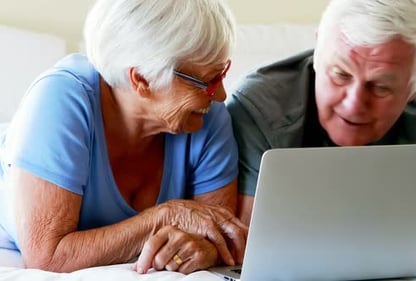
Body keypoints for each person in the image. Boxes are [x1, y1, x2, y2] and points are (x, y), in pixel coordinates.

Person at [227, 0, 416, 253]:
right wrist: (407, 216)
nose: (354, 105)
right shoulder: (259, 107)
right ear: (318, 53)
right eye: (341, 74)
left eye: (381, 87)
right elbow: (249, 238)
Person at [0, 0, 248, 274]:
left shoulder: (204, 114)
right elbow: (47, 257)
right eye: (209, 81)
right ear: (141, 78)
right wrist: (163, 218)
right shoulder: (60, 99)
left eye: (221, 73)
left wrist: (204, 249)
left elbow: (222, 236)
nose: (222, 94)